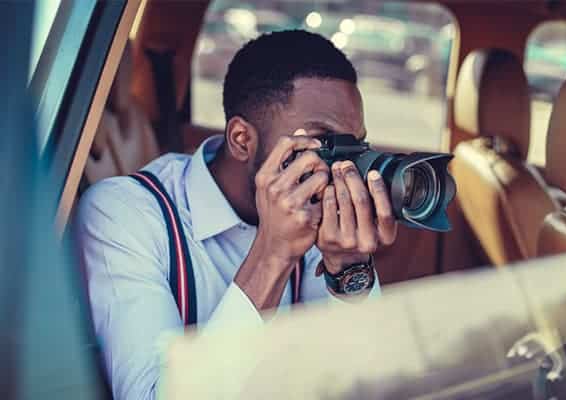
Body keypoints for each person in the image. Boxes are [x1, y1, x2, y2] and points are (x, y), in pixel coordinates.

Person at [76, 30, 398, 400]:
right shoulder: (124, 215)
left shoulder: (317, 213)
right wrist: (272, 255)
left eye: (354, 145)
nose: (343, 165)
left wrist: (350, 269)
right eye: (322, 141)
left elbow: (362, 382)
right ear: (242, 139)